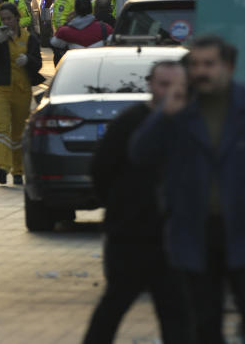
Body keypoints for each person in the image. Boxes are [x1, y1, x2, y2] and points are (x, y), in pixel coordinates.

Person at [130, 35, 245, 344]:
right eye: (195, 64)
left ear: (227, 67)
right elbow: (140, 154)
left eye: (209, 64)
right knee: (204, 323)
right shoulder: (180, 108)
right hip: (193, 233)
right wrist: (164, 114)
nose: (201, 72)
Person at [82, 60, 192, 344]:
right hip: (130, 235)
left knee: (175, 312)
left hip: (172, 238)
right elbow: (101, 170)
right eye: (162, 84)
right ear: (151, 85)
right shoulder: (129, 122)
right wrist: (120, 207)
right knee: (115, 303)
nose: (169, 91)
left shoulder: (191, 122)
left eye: (175, 85)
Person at [0, 3, 43, 186]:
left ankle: (18, 171)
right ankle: (2, 167)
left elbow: (38, 63)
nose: (7, 22)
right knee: (3, 129)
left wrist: (28, 60)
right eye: (3, 19)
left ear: (17, 18)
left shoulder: (29, 38)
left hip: (22, 90)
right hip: (0, 89)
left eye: (9, 18)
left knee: (18, 132)